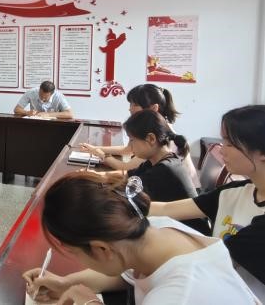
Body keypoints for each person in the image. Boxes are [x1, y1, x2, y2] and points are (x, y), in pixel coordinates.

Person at [23, 172, 258, 304]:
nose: (77, 260)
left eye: (74, 253)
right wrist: (66, 283)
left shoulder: (178, 296)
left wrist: (90, 302)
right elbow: (125, 274)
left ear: (101, 249)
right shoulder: (153, 230)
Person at [150, 105, 265, 301]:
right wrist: (122, 205)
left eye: (230, 143)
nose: (221, 149)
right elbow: (167, 209)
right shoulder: (233, 193)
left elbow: (207, 257)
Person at [80, 83, 198, 188]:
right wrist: (95, 150)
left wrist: (102, 156)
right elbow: (128, 151)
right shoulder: (152, 130)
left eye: (134, 105)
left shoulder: (158, 139)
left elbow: (126, 167)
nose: (130, 109)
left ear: (154, 108)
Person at [121, 110, 208, 234]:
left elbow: (127, 196)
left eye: (132, 140)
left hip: (190, 236)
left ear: (151, 139)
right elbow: (127, 177)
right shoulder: (159, 160)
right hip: (175, 230)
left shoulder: (164, 169)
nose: (130, 146)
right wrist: (100, 177)